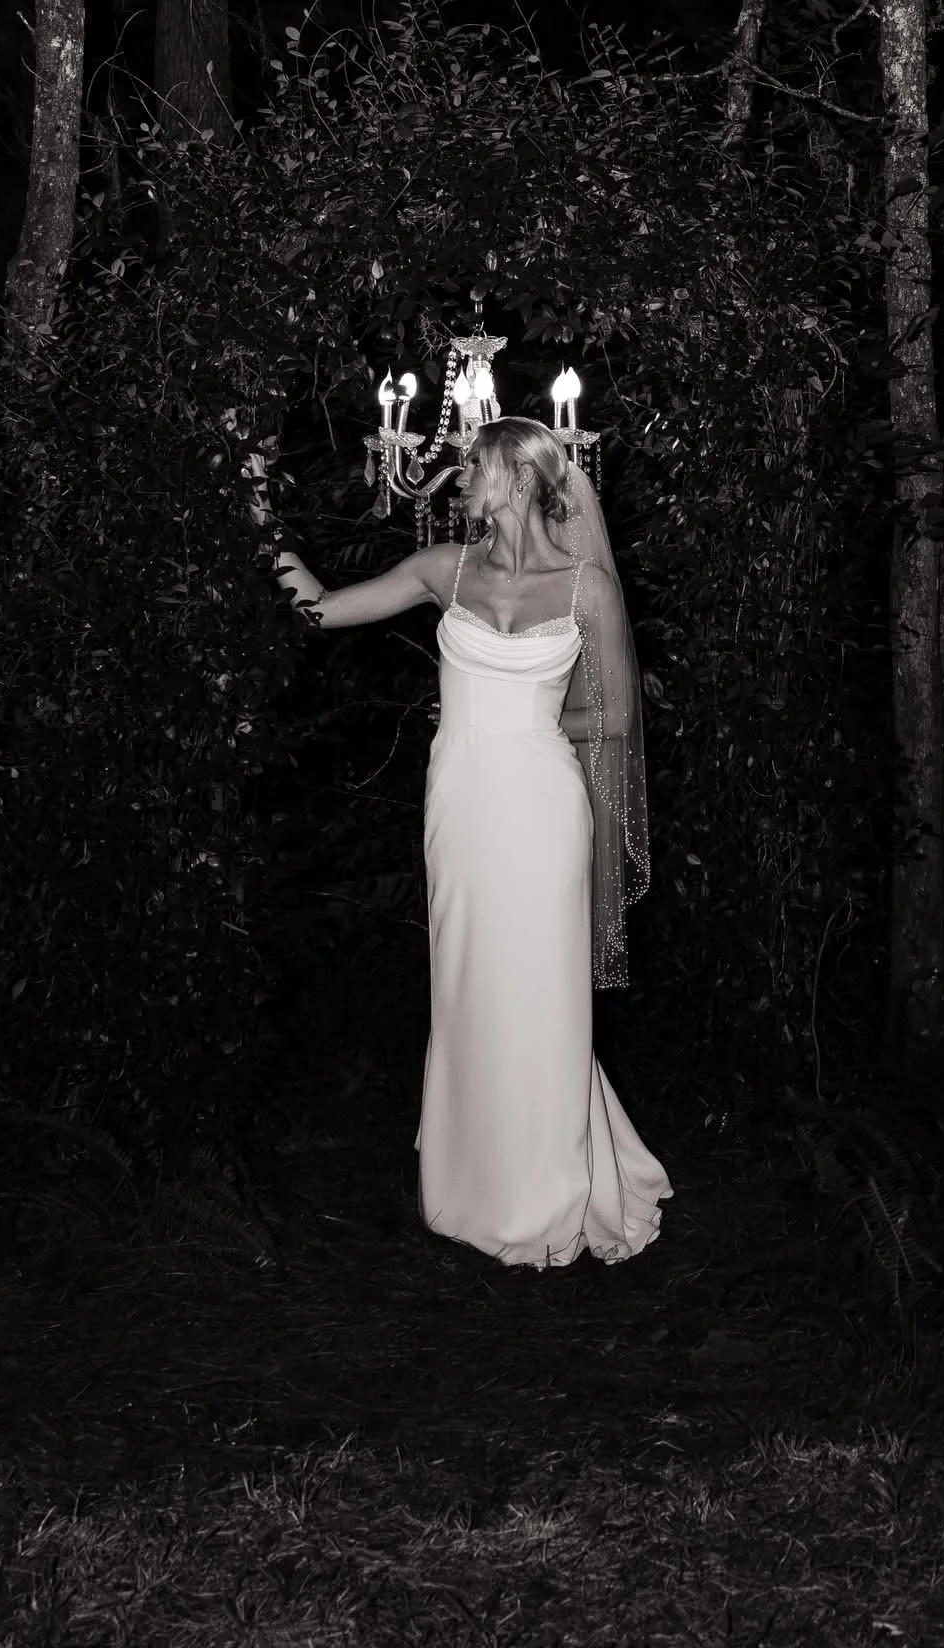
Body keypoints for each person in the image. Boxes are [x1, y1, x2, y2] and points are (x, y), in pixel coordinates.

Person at [275, 416, 671, 1266]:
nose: (459, 483)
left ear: (519, 480)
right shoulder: (440, 570)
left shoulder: (585, 588)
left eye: (475, 469)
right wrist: (258, 521)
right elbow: (319, 609)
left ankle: (549, 1185)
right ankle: (473, 1178)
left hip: (541, 807)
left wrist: (521, 718)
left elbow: (618, 715)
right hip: (461, 806)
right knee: (467, 981)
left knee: (540, 986)